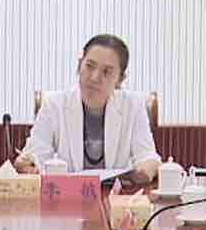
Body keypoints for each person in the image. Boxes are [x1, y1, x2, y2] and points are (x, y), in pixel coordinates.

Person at [15, 34, 160, 185]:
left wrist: (148, 167)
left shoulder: (133, 106)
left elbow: (147, 155)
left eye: (106, 72)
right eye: (89, 66)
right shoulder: (54, 104)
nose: (94, 77)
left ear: (120, 79)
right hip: (67, 194)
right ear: (79, 66)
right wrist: (29, 164)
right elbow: (36, 154)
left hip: (114, 195)